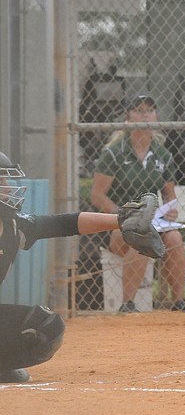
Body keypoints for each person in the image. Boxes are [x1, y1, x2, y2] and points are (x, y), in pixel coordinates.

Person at [0, 152, 162, 383]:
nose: (8, 188)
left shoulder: (13, 226)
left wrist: (120, 220)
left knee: (45, 327)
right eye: (1, 181)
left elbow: (65, 223)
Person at [91, 95, 185, 313]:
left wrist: (170, 211)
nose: (144, 115)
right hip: (116, 223)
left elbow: (170, 196)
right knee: (140, 236)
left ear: (156, 116)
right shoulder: (114, 152)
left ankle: (179, 302)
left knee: (174, 238)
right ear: (128, 117)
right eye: (138, 110)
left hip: (151, 221)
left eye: (149, 110)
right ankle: (127, 304)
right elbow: (98, 196)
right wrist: (122, 214)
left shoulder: (162, 154)